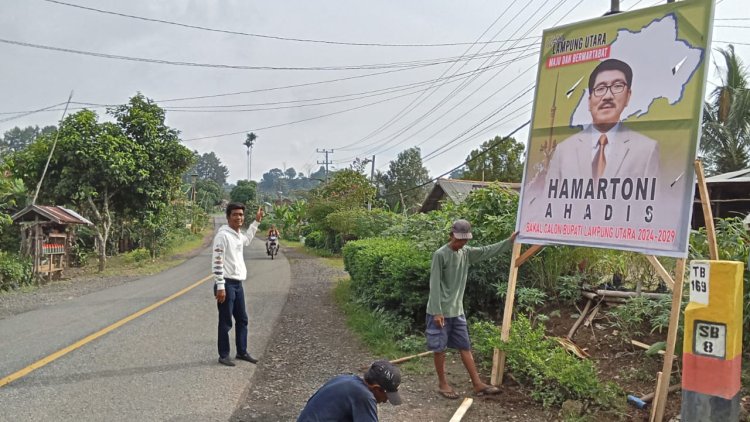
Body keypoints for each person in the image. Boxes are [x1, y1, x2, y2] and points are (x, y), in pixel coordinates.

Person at [426, 219, 518, 399]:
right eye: (459, 239)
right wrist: (437, 311)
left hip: (457, 311)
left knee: (465, 346)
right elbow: (434, 283)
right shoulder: (440, 254)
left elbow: (487, 251)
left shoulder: (466, 253)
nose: (462, 243)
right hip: (439, 312)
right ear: (451, 235)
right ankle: (443, 384)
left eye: (465, 240)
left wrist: (509, 242)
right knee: (440, 349)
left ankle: (477, 383)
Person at [545, 58, 660, 184]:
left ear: (628, 96)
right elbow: (549, 200)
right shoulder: (564, 151)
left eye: (617, 86)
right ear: (589, 101)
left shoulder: (646, 150)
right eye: (600, 88)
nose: (607, 96)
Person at [212, 202, 263, 367]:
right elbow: (217, 261)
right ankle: (224, 355)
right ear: (228, 217)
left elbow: (247, 240)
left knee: (242, 319)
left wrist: (256, 222)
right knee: (226, 322)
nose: (239, 217)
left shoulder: (237, 234)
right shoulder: (223, 235)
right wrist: (220, 285)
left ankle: (242, 351)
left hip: (237, 284)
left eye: (241, 214)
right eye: (235, 214)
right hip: (225, 283)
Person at [297, 360, 402, 422]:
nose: (385, 401)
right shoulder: (364, 396)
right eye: (387, 395)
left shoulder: (346, 379)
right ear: (377, 388)